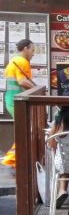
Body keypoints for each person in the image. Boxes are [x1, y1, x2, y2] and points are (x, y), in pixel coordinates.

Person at [1, 39, 36, 168]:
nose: (33, 54)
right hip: (17, 101)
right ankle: (11, 159)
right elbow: (22, 82)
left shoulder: (13, 61)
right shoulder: (22, 62)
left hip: (11, 100)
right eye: (32, 50)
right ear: (26, 49)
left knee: (24, 129)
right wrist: (37, 90)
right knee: (25, 129)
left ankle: (15, 159)